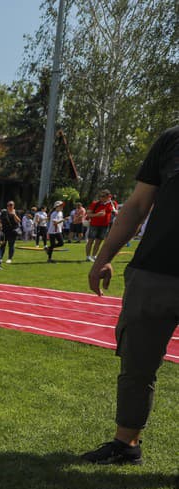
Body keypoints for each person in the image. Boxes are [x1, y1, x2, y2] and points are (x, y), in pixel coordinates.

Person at [82, 126, 178, 466]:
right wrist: (104, 256)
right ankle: (126, 444)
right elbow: (137, 205)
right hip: (153, 270)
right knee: (136, 363)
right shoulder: (172, 140)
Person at [85, 190, 116, 261]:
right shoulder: (95, 204)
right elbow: (88, 214)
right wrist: (97, 215)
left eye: (103, 196)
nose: (101, 198)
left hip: (104, 226)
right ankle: (88, 257)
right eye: (100, 196)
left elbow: (114, 212)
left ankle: (94, 256)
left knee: (98, 242)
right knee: (90, 241)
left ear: (108, 197)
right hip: (94, 225)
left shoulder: (111, 204)